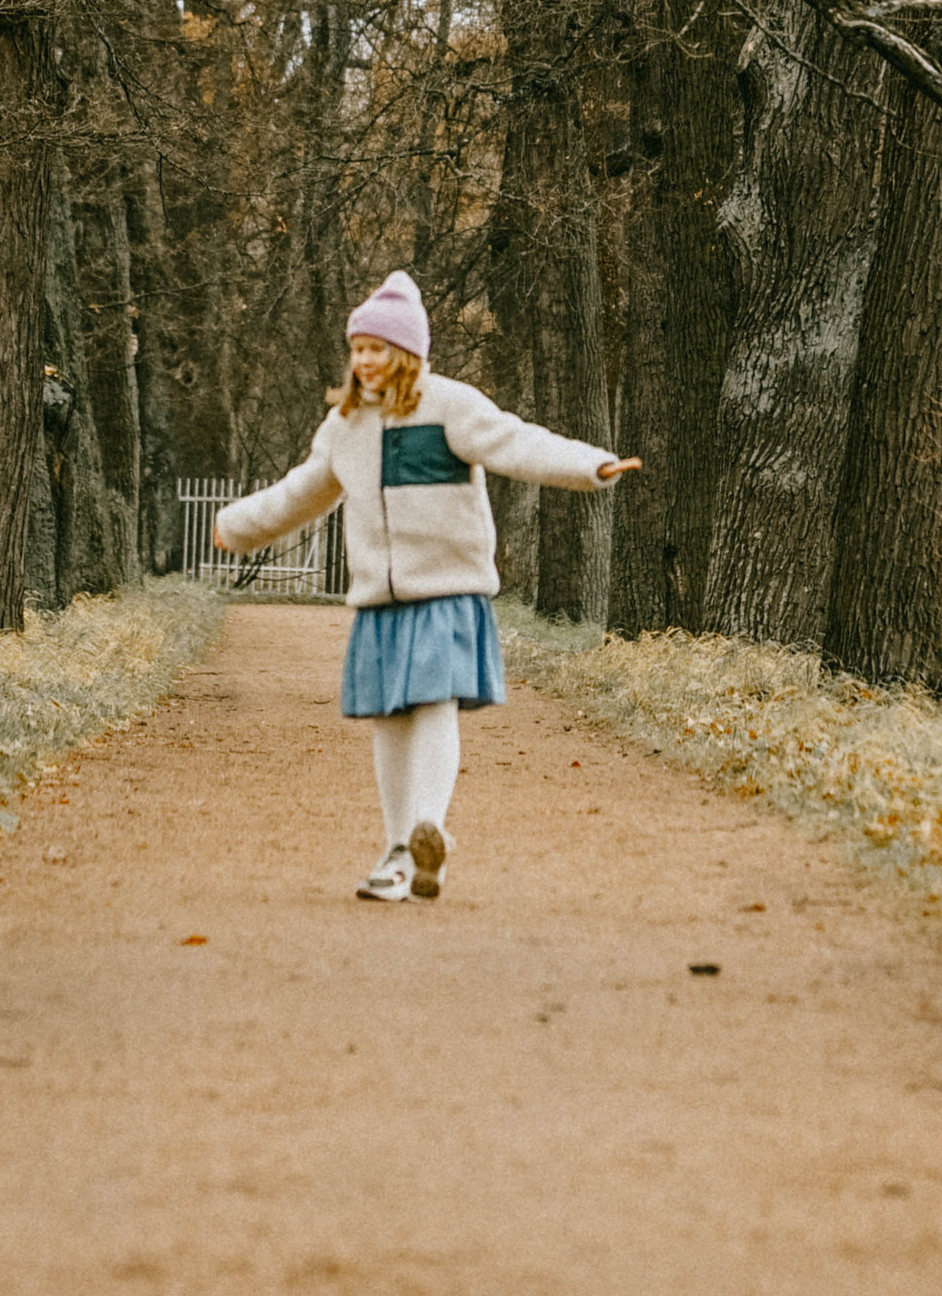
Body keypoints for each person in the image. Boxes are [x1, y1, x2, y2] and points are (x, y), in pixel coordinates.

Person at [212, 269, 637, 902]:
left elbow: (517, 443)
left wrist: (590, 465)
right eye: (358, 348)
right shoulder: (345, 427)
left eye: (377, 348)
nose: (364, 360)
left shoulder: (450, 406)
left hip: (446, 591)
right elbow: (300, 493)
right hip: (381, 601)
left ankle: (426, 828)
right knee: (388, 716)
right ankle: (397, 852)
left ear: (406, 352)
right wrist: (235, 526)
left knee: (435, 704)